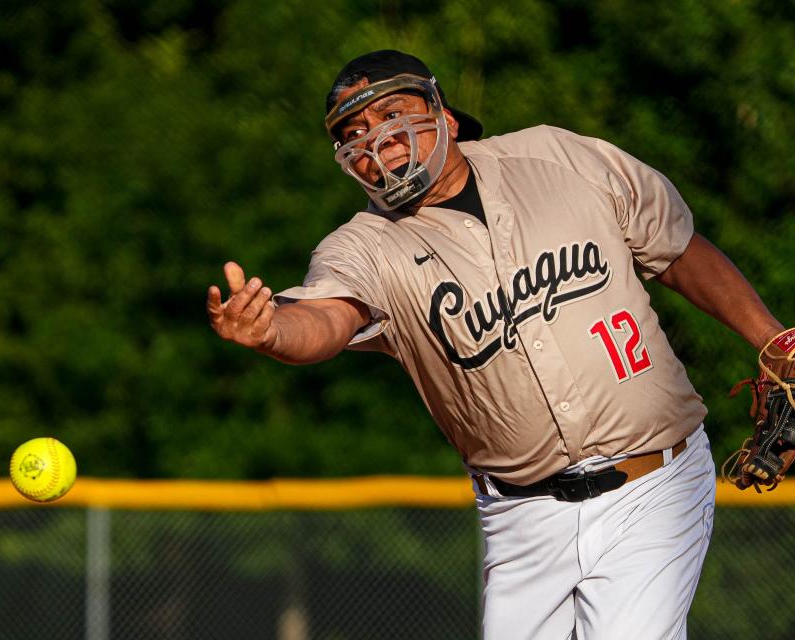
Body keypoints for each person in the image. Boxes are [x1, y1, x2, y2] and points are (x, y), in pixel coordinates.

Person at [206, 49, 786, 639]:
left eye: (391, 113)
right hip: (520, 517)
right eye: (354, 131)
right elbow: (328, 317)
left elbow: (677, 246)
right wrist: (273, 329)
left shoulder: (559, 158)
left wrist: (775, 339)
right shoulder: (365, 246)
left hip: (653, 481)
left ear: (446, 117)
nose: (376, 139)